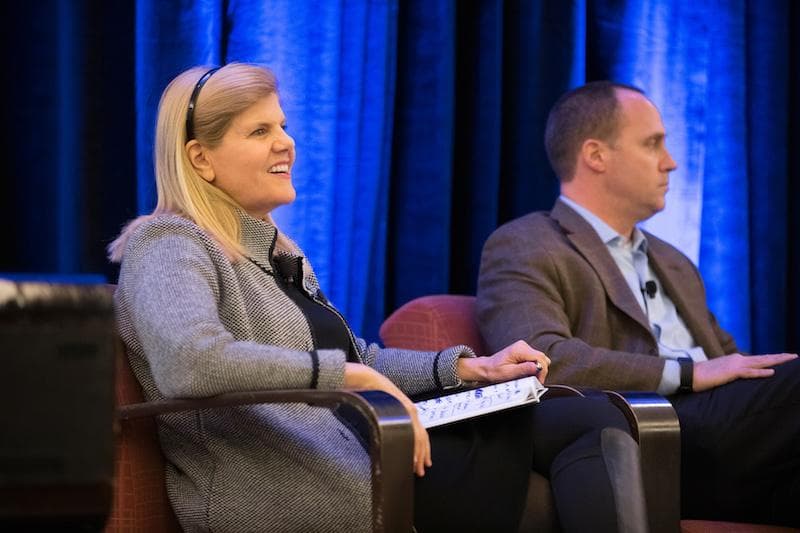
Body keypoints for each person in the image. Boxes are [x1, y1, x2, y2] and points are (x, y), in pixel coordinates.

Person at [109, 64, 649, 532]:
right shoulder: (168, 242)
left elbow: (358, 359)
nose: (286, 142)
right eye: (258, 131)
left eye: (283, 125)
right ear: (200, 159)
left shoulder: (273, 251)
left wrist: (469, 370)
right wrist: (348, 377)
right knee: (565, 488)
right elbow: (191, 363)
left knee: (591, 416)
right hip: (299, 482)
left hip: (364, 448)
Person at [477, 80, 800, 527]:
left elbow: (732, 364)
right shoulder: (525, 243)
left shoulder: (674, 261)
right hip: (645, 429)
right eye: (653, 145)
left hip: (734, 443)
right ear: (596, 155)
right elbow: (539, 360)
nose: (671, 163)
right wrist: (688, 373)